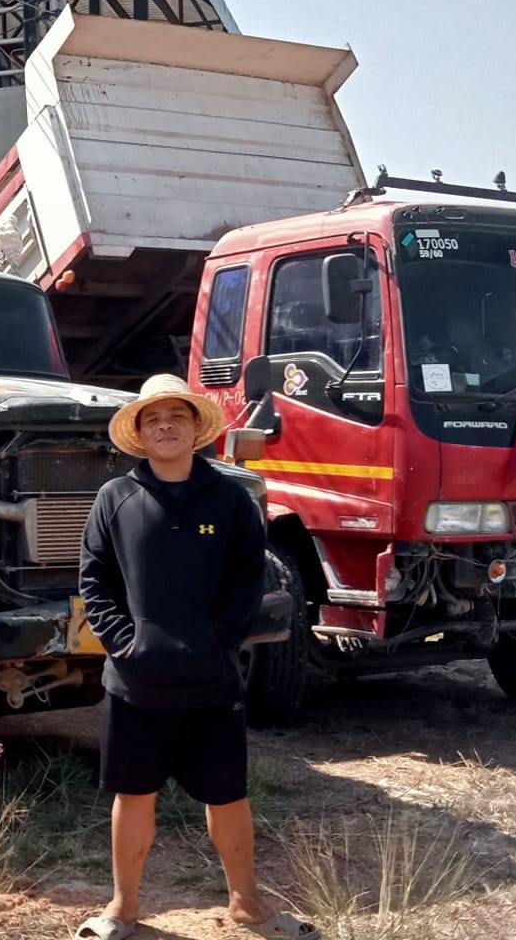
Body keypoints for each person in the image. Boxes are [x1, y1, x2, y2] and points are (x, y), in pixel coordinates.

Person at [76, 374, 319, 940]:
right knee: (133, 794)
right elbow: (94, 580)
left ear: (195, 429)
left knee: (228, 795)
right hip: (134, 682)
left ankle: (247, 903)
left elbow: (248, 577)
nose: (166, 426)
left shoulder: (230, 500)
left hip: (212, 679)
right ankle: (122, 908)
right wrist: (124, 643)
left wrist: (219, 641)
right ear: (139, 432)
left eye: (177, 417)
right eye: (154, 419)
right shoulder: (115, 498)